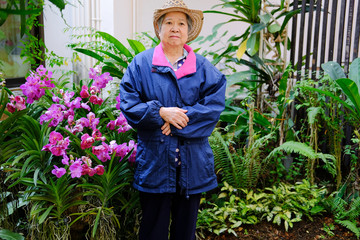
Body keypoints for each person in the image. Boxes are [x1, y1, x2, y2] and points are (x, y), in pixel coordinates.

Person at [119, 0, 226, 239]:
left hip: (193, 163)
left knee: (185, 232)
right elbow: (128, 104)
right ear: (159, 29)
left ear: (188, 31)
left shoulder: (203, 67)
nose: (175, 28)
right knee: (152, 230)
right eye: (169, 22)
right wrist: (160, 113)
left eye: (180, 23)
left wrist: (175, 121)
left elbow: (214, 106)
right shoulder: (141, 64)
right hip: (155, 162)